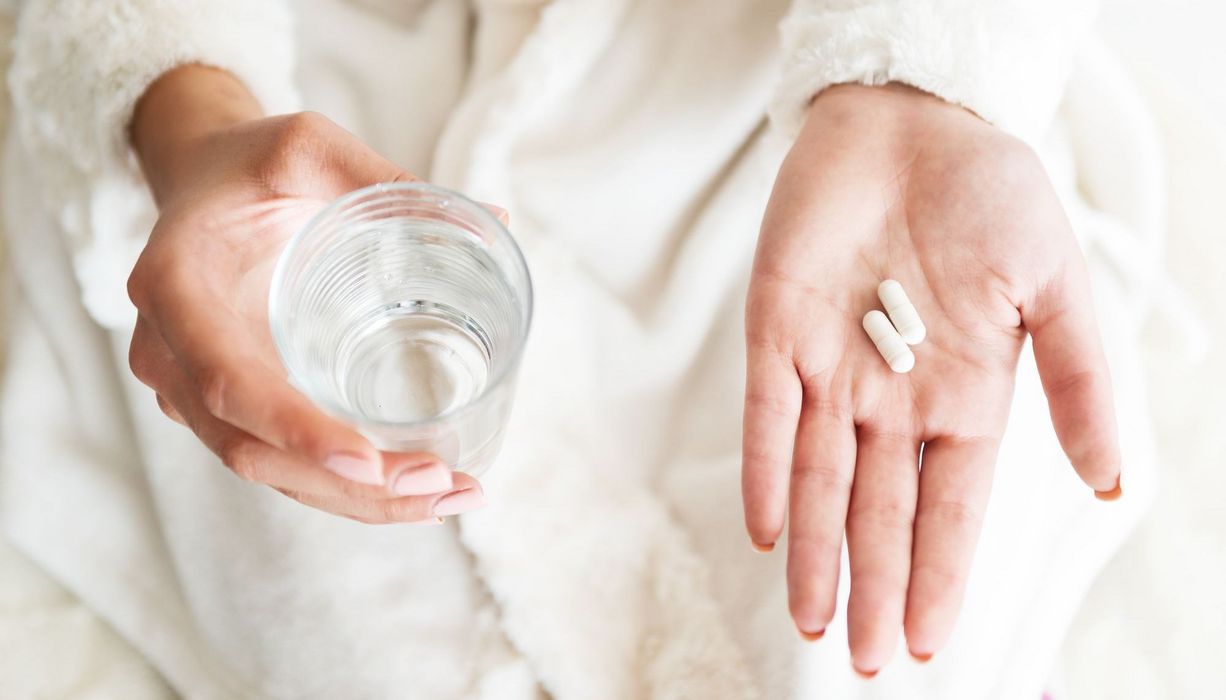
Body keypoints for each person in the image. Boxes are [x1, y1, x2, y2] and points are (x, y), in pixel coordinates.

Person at [1, 0, 1159, 697]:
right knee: (358, 626)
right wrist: (179, 112)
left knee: (885, 606)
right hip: (302, 87)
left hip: (788, 78)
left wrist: (925, 77)